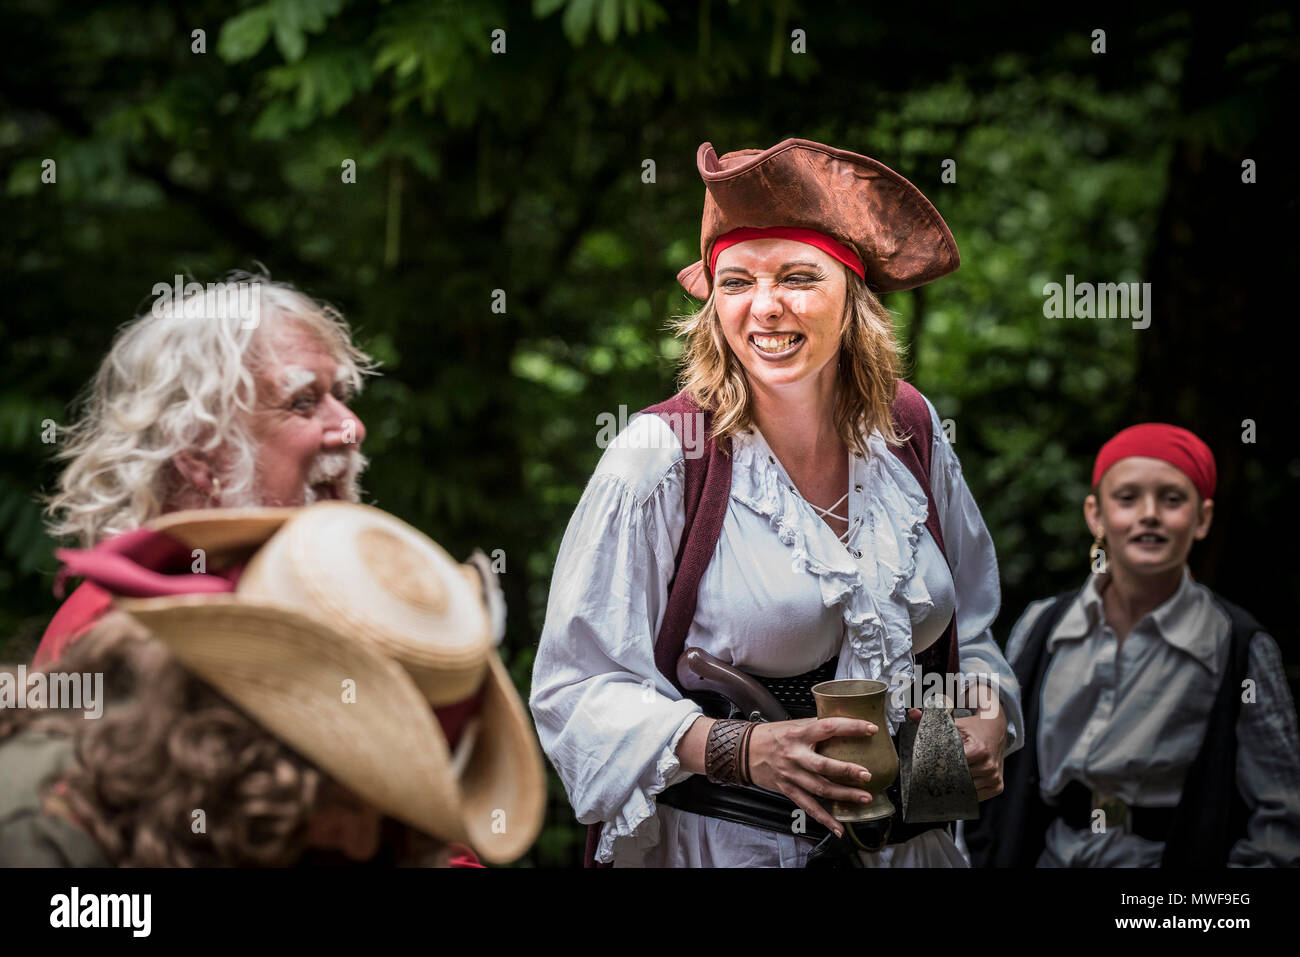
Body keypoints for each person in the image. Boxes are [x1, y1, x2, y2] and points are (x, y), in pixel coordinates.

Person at [530, 138, 1023, 867]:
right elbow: (576, 688)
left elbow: (973, 626)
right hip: (734, 848)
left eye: (797, 276)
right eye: (736, 282)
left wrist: (985, 713)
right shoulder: (661, 459)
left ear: (852, 295)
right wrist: (741, 747)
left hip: (910, 850)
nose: (764, 307)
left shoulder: (909, 432)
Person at [0, 502, 547, 866]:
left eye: (397, 811)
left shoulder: (236, 824)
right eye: (345, 795)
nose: (361, 844)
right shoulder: (42, 839)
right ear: (239, 737)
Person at [967, 424, 1300, 866]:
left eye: (1172, 499)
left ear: (1202, 518)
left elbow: (1280, 812)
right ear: (1096, 515)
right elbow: (999, 765)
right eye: (1127, 499)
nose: (1149, 514)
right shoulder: (1043, 624)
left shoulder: (1238, 644)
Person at [35, 270, 374, 667]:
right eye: (302, 402)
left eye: (339, 395)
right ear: (198, 451)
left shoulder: (298, 593)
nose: (353, 429)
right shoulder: (132, 636)